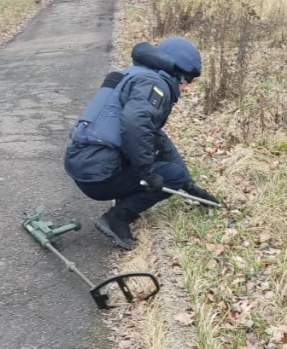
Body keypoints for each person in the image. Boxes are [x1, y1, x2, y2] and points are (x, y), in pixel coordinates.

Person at [64, 37, 220, 249]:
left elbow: (155, 137)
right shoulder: (154, 84)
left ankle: (125, 198)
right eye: (187, 81)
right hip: (97, 174)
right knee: (169, 176)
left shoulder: (132, 74)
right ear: (178, 73)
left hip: (81, 161)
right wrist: (147, 173)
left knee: (173, 170)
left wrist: (189, 185)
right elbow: (134, 123)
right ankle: (117, 218)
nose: (186, 88)